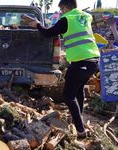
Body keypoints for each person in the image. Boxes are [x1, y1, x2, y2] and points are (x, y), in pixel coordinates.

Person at [28, 0, 100, 138]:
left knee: (68, 95)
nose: (60, 12)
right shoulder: (85, 16)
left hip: (81, 61)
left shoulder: (66, 19)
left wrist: (37, 25)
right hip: (93, 60)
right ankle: (78, 120)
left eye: (61, 9)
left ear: (66, 7)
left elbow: (48, 33)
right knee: (78, 90)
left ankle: (80, 130)